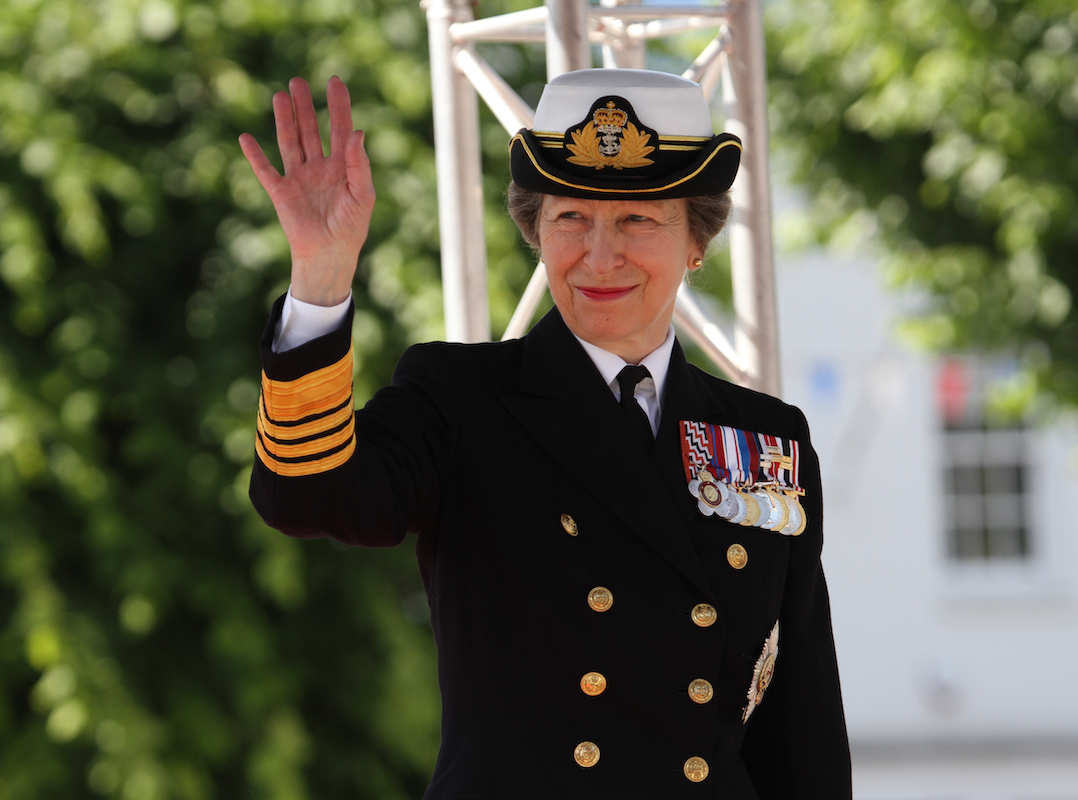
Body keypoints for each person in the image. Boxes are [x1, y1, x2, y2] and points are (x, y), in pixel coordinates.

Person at [240, 68, 851, 799]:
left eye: (636, 221)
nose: (599, 256)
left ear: (697, 240)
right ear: (535, 232)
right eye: (571, 219)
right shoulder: (461, 397)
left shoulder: (765, 437)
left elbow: (799, 724)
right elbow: (306, 495)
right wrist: (320, 275)